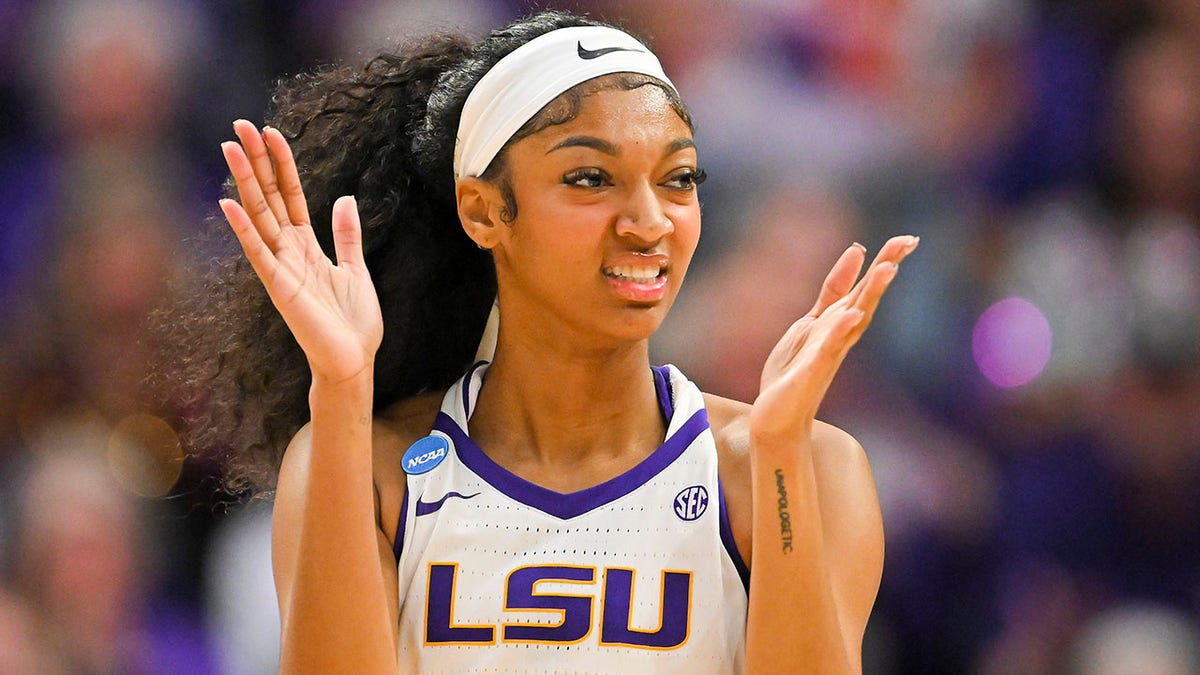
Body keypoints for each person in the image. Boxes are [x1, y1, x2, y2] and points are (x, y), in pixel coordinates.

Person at [163, 9, 917, 673]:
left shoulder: (805, 465)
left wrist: (778, 448)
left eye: (679, 178)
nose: (649, 220)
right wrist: (342, 385)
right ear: (485, 210)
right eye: (591, 178)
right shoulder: (374, 471)